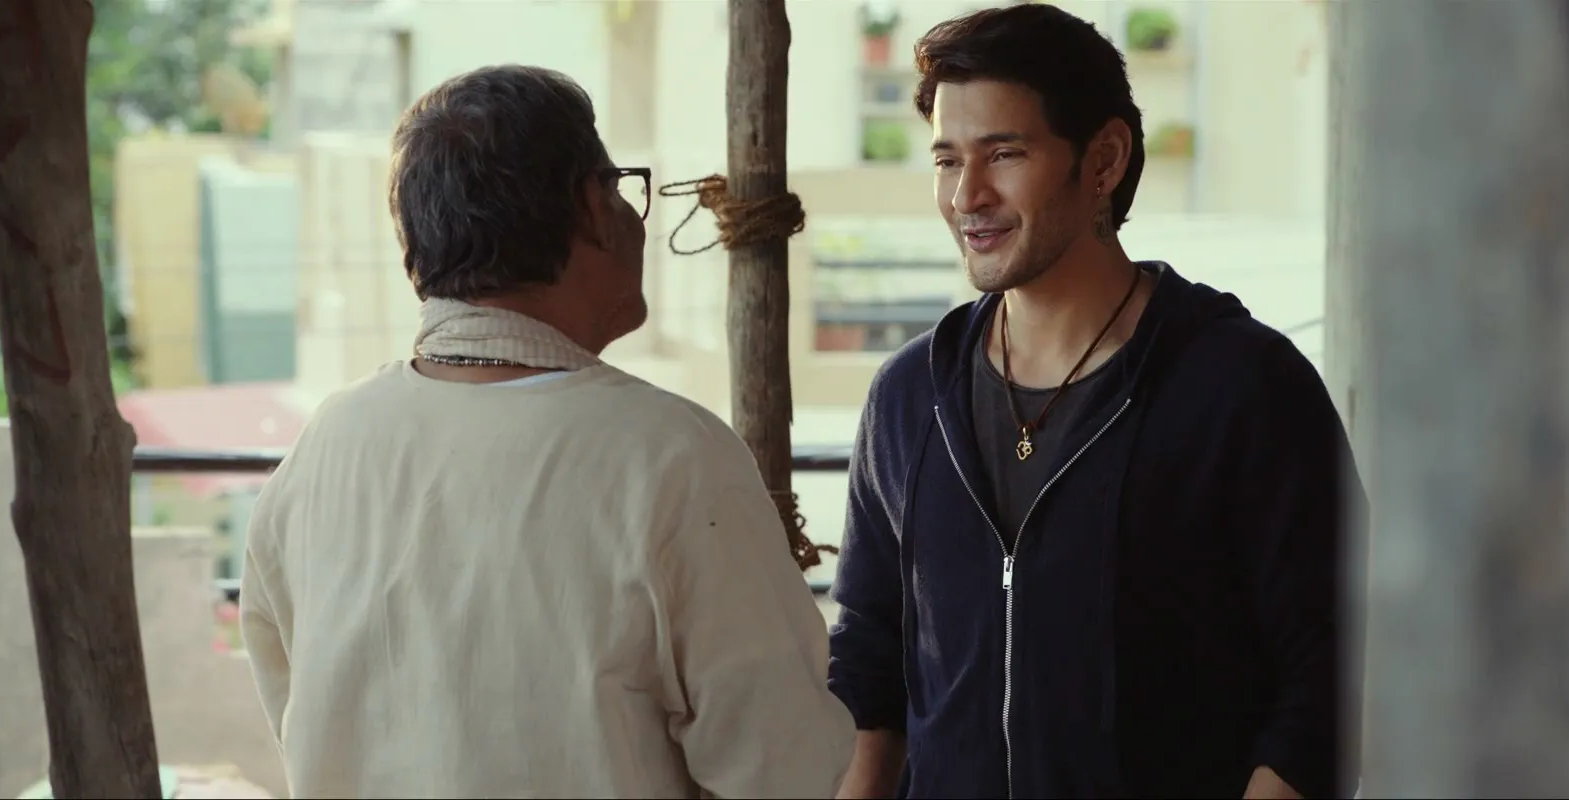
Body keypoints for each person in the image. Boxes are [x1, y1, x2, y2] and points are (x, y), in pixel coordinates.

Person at [237, 65, 854, 799]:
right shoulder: (670, 457)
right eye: (623, 189)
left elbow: (297, 711)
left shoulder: (325, 447)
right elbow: (783, 769)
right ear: (594, 207)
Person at [827, 6, 1363, 799]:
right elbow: (872, 666)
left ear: (1104, 159)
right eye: (947, 160)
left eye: (1004, 153)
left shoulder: (1243, 387)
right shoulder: (910, 397)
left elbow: (1332, 676)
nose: (968, 195)